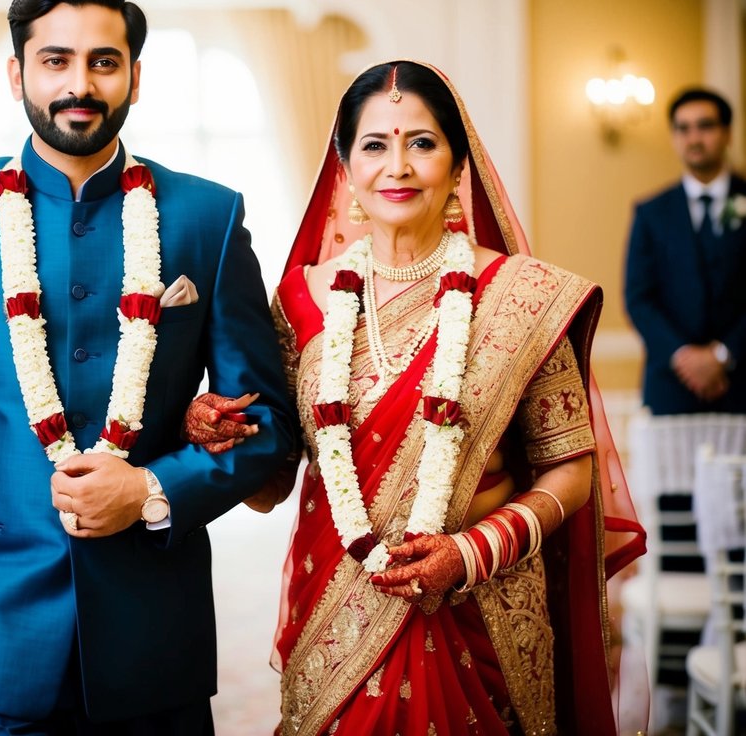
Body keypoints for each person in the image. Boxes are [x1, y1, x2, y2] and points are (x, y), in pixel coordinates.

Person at [0, 0, 296, 736]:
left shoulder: (206, 218)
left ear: (135, 77)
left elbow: (269, 428)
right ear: (15, 73)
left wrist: (152, 491)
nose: (77, 83)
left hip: (153, 635)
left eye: (102, 61)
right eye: (54, 60)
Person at [184, 61, 646, 734]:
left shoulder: (524, 298)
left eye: (420, 143)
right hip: (336, 610)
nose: (396, 166)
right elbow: (271, 484)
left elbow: (569, 468)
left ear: (458, 163)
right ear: (344, 166)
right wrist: (224, 431)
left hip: (480, 608)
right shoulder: (300, 303)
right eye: (374, 144)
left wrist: (471, 551)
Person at [625, 87, 746, 415]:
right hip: (672, 386)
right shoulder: (651, 212)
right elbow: (638, 298)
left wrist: (723, 355)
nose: (694, 137)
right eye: (683, 128)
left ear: (727, 133)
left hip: (741, 384)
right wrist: (684, 358)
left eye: (705, 126)